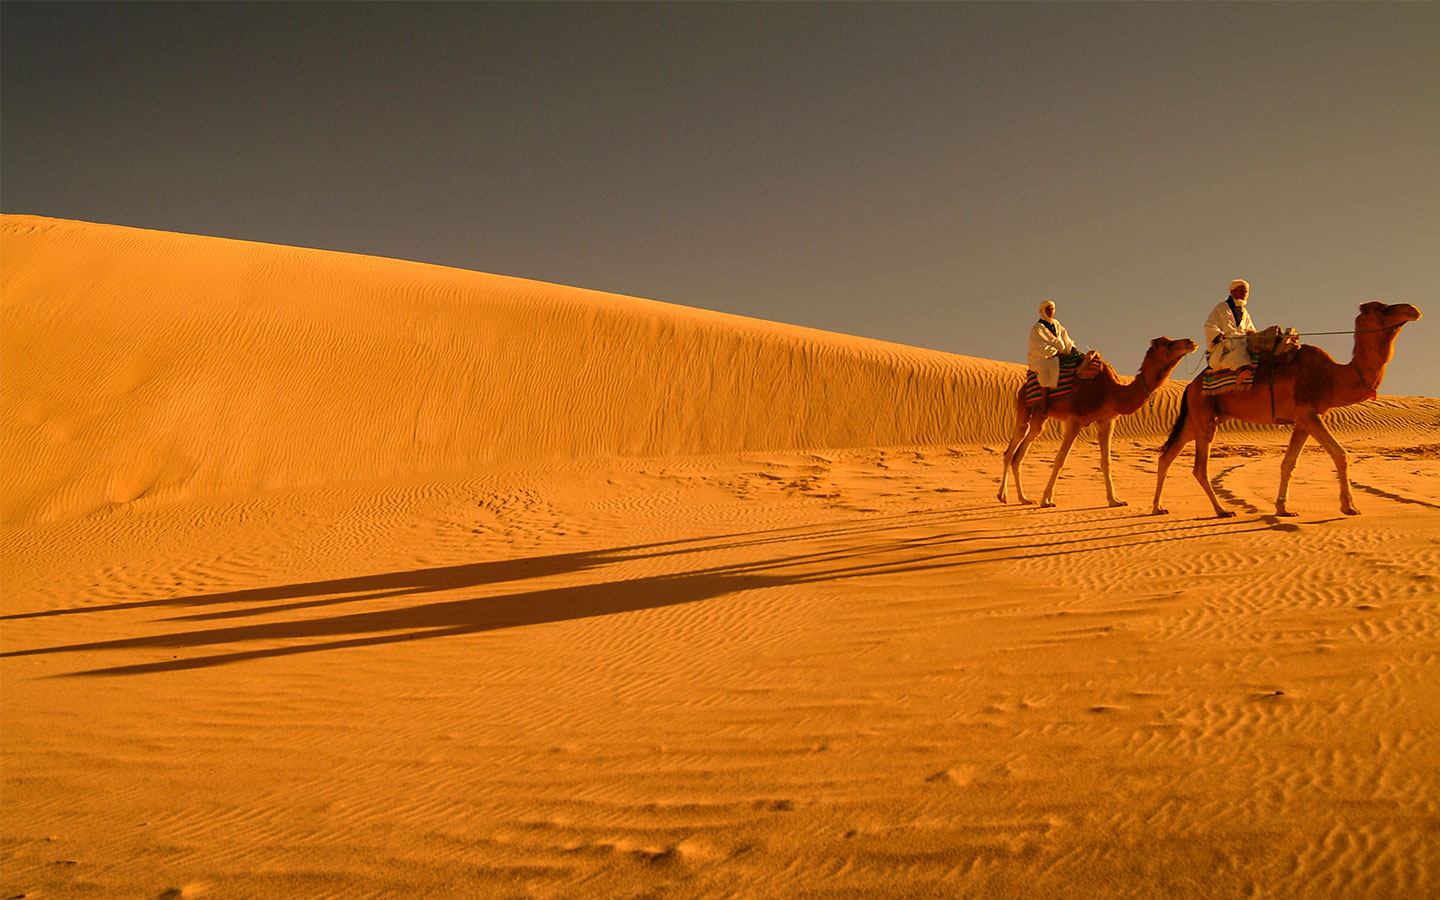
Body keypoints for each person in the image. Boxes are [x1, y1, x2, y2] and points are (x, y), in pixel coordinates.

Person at [1205, 279, 1256, 370]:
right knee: (1238, 347)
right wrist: (1218, 335)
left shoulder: (1244, 312)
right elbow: (1210, 325)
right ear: (1232, 292)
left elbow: (1250, 329)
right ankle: (1242, 370)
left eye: (1246, 292)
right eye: (1241, 291)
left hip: (1243, 341)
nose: (1244, 294)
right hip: (1226, 343)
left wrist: (1252, 334)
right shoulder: (1222, 307)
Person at [1027, 300, 1078, 390]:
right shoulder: (1037, 328)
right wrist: (1056, 354)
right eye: (1048, 309)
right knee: (1046, 370)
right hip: (1044, 358)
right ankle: (1044, 398)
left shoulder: (1057, 324)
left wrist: (1072, 348)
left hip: (1063, 354)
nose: (1050, 312)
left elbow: (1066, 338)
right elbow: (1039, 346)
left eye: (1052, 309)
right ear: (1043, 311)